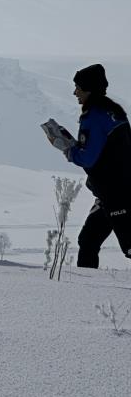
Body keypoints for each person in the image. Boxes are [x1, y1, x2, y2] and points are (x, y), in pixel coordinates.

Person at [61, 64, 131, 267]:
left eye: (78, 88)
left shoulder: (94, 117)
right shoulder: (114, 112)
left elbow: (88, 158)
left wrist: (67, 150)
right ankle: (86, 293)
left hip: (117, 194)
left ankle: (86, 292)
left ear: (89, 89)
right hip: (114, 192)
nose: (75, 92)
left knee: (128, 246)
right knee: (89, 240)